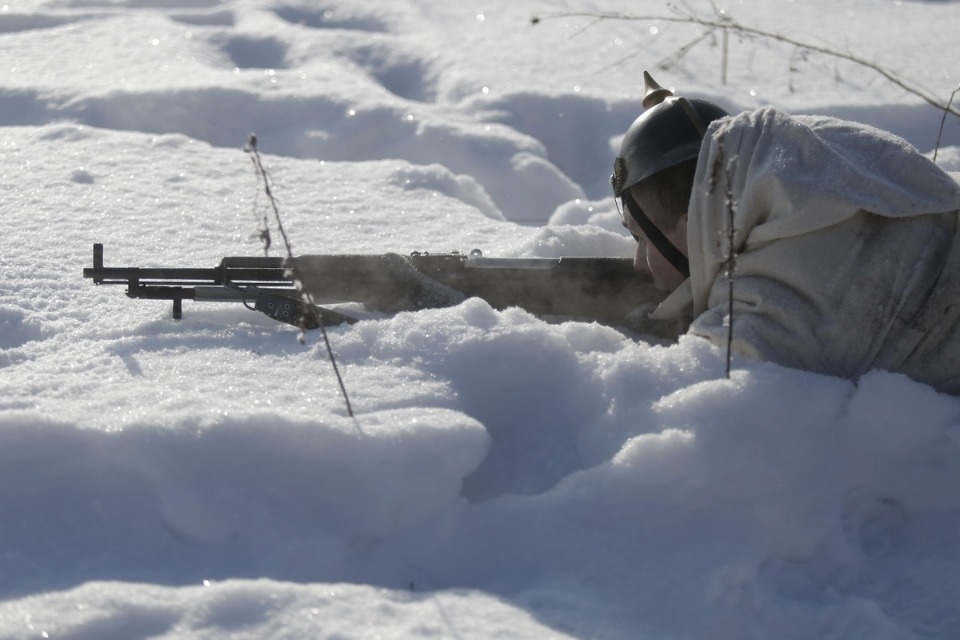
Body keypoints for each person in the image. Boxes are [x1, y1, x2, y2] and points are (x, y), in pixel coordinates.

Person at [612, 71, 960, 394]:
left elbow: (698, 394)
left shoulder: (765, 318)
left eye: (642, 239)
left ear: (693, 225)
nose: (639, 263)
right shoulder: (821, 154)